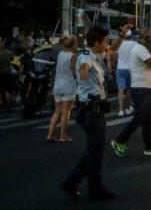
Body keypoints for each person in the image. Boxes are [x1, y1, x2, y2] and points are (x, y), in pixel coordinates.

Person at [59, 26, 116, 201]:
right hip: (91, 111)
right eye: (105, 41)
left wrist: (121, 36)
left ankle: (72, 182)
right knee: (95, 153)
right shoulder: (86, 57)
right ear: (97, 42)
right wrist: (83, 71)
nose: (107, 45)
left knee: (93, 151)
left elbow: (113, 50)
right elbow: (84, 66)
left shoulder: (96, 56)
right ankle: (94, 189)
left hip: (94, 110)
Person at [110, 29, 151, 158]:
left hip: (146, 87)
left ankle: (149, 146)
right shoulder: (139, 49)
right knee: (140, 117)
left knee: (148, 118)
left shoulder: (143, 49)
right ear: (146, 39)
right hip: (141, 88)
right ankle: (120, 141)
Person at [47, 36, 79, 143]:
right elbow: (75, 72)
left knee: (57, 111)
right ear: (74, 45)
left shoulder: (61, 54)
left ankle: (50, 135)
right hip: (68, 85)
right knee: (66, 112)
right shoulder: (72, 56)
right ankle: (63, 136)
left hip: (58, 85)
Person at [114, 27, 136, 117]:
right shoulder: (135, 44)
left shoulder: (119, 44)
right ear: (131, 36)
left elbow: (114, 57)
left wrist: (113, 67)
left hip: (120, 68)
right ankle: (128, 108)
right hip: (130, 69)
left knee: (120, 90)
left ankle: (120, 110)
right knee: (129, 90)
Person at [0, 39, 15, 110]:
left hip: (0, 73)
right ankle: (8, 105)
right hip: (8, 73)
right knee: (7, 90)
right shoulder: (9, 52)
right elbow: (12, 59)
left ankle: (1, 103)